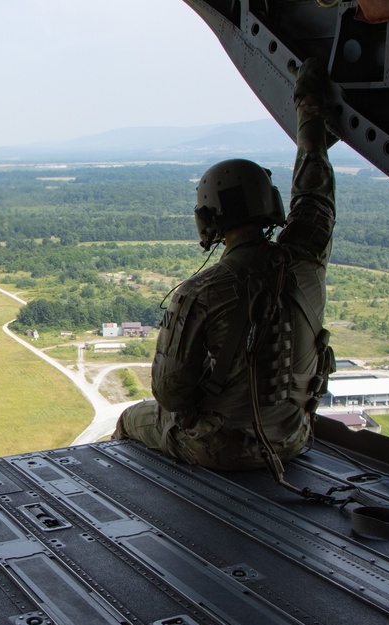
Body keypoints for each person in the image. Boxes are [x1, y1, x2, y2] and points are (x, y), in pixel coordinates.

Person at [114, 59, 336, 474]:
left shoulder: (200, 292)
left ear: (208, 220)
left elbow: (171, 394)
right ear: (270, 204)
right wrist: (310, 117)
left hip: (221, 449)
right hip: (293, 438)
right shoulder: (307, 258)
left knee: (130, 419)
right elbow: (314, 195)